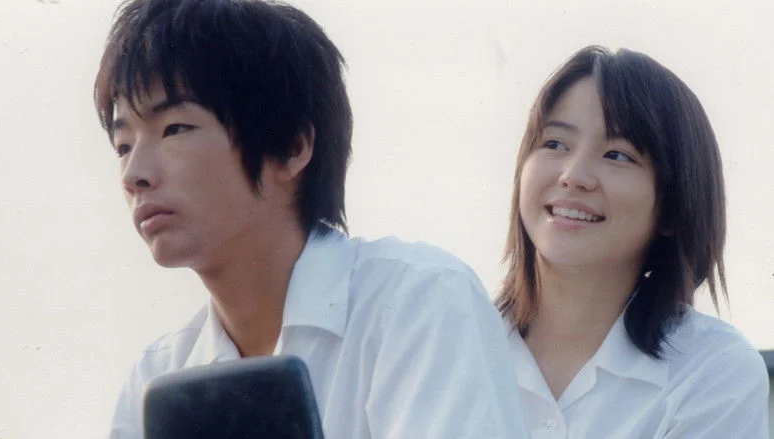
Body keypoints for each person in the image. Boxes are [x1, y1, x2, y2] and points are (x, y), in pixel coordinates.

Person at [93, 0, 529, 438]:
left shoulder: (416, 304)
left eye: (175, 129)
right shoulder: (156, 377)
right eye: (123, 146)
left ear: (291, 147)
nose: (134, 175)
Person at [495, 45, 770, 438]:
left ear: (674, 207)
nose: (573, 176)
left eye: (617, 155)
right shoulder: (450, 343)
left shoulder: (711, 371)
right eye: (554, 144)